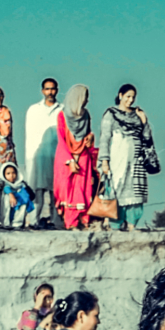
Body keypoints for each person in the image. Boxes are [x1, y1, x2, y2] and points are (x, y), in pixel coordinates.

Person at [99, 84, 156, 230]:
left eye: (133, 97)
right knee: (117, 190)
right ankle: (114, 225)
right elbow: (104, 138)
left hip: (136, 160)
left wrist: (144, 121)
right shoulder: (111, 114)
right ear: (120, 96)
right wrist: (104, 161)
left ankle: (132, 226)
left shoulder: (138, 115)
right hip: (118, 159)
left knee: (135, 193)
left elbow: (147, 138)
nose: (130, 100)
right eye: (127, 96)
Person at [53, 85, 98, 230]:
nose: (86, 101)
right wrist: (70, 161)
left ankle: (83, 220)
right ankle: (70, 223)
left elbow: (88, 133)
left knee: (83, 190)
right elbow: (61, 139)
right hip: (67, 158)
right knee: (69, 190)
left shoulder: (86, 115)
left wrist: (90, 138)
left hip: (84, 156)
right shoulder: (62, 115)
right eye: (84, 97)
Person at [19, 78, 62, 223]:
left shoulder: (62, 110)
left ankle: (56, 221)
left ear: (57, 90)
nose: (50, 92)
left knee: (56, 190)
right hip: (37, 156)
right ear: (42, 91)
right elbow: (29, 136)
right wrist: (30, 158)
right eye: (47, 89)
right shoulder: (34, 109)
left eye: (53, 89)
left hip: (56, 156)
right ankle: (33, 221)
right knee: (37, 190)